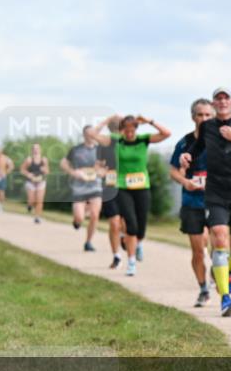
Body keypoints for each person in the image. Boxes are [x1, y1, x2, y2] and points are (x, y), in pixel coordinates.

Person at [180, 87, 231, 317]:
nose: (222, 101)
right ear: (214, 104)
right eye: (218, 98)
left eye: (226, 98)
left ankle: (230, 270)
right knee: (218, 236)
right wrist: (187, 156)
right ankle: (225, 299)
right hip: (216, 192)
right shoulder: (207, 127)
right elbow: (196, 149)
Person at [93, 115, 170, 276]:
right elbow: (93, 134)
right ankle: (131, 262)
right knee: (131, 224)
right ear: (122, 130)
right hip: (122, 187)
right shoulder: (116, 140)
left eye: (132, 131)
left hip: (142, 187)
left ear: (136, 129)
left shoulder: (143, 139)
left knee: (141, 228)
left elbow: (166, 133)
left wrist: (149, 121)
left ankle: (139, 243)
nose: (128, 134)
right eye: (126, 130)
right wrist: (108, 120)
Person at [170, 98, 215, 307]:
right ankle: (203, 288)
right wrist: (185, 182)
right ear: (193, 117)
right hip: (192, 201)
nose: (204, 119)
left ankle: (218, 270)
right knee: (198, 250)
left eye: (208, 115)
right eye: (200, 115)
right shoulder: (184, 143)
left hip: (216, 200)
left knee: (219, 245)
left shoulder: (219, 141)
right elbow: (173, 171)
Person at [61, 126, 104, 252]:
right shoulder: (76, 150)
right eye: (88, 134)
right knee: (80, 217)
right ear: (84, 135)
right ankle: (77, 221)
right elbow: (63, 163)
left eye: (93, 133)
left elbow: (106, 167)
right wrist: (73, 173)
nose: (91, 136)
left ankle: (88, 242)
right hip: (79, 188)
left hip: (95, 186)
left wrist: (101, 172)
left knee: (95, 215)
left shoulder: (100, 150)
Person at [96, 118, 124, 269]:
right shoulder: (104, 144)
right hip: (109, 187)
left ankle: (124, 237)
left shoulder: (128, 142)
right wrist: (100, 172)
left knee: (125, 224)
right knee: (114, 223)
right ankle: (116, 255)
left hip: (127, 187)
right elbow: (97, 166)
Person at [20, 143, 49, 223]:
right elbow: (22, 169)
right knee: (32, 200)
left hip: (41, 181)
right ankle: (29, 205)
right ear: (32, 150)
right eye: (34, 149)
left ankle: (37, 217)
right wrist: (28, 174)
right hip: (31, 182)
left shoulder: (44, 160)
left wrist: (44, 170)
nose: (36, 150)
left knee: (39, 200)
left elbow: (47, 171)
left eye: (37, 148)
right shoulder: (29, 160)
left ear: (40, 150)